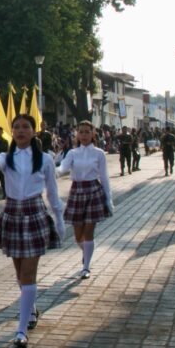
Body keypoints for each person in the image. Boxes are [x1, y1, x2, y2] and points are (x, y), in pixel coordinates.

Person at [0, 114, 63, 348]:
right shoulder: (7, 157)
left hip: (34, 213)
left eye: (26, 127)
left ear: (34, 131)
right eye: (16, 127)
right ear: (12, 132)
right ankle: (31, 308)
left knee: (28, 273)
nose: (21, 131)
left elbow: (53, 192)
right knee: (19, 273)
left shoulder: (44, 159)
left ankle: (21, 329)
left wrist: (59, 219)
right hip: (13, 214)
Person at [56, 120, 113, 280]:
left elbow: (104, 177)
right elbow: (63, 169)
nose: (84, 135)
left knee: (89, 232)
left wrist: (109, 199)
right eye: (81, 132)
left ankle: (86, 266)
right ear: (77, 134)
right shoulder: (73, 153)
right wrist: (52, 169)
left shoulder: (99, 153)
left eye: (87, 132)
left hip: (94, 191)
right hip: (77, 192)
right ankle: (86, 252)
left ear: (93, 133)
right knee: (77, 235)